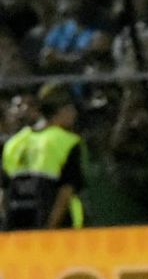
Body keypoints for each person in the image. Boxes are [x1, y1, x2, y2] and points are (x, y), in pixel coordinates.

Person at [1, 83, 85, 230]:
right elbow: (65, 192)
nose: (74, 114)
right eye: (71, 108)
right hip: (59, 231)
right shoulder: (67, 142)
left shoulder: (14, 143)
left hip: (16, 231)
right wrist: (49, 229)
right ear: (61, 111)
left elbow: (3, 193)